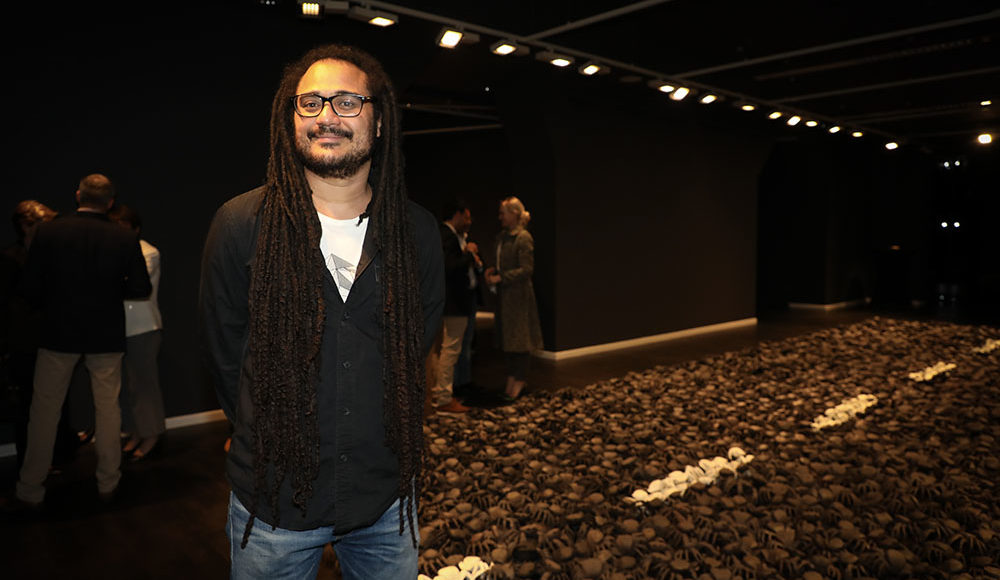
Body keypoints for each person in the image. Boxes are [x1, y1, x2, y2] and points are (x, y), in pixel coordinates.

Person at [199, 44, 444, 579]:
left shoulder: (417, 231)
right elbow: (225, 354)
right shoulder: (240, 224)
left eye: (347, 102)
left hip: (385, 499)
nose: (326, 116)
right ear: (290, 118)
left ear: (379, 121)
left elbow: (414, 348)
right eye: (310, 102)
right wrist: (268, 430)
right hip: (275, 503)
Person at [15, 174, 152, 506]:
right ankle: (108, 482)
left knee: (44, 411)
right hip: (105, 332)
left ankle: (30, 489)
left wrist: (54, 299)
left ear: (78, 195)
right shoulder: (123, 236)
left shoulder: (50, 232)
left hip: (58, 332)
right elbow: (140, 288)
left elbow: (29, 287)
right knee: (107, 409)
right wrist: (109, 290)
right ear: (110, 202)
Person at [108, 205, 164, 462]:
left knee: (143, 385)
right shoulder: (112, 251)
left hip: (143, 328)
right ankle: (135, 431)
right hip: (119, 328)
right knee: (127, 387)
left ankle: (151, 433)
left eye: (123, 228)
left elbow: (130, 286)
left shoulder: (148, 252)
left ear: (135, 229)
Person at [484, 196, 543, 402]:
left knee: (520, 341)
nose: (500, 217)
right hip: (505, 297)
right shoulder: (502, 237)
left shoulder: (523, 238)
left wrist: (502, 277)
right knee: (508, 341)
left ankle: (519, 380)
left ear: (514, 214)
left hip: (518, 298)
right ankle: (512, 377)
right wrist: (493, 271)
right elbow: (503, 263)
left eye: (503, 213)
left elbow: (526, 269)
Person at [433, 199, 481, 414]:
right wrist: (468, 253)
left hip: (448, 302)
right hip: (454, 302)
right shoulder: (448, 236)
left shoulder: (441, 234)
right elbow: (450, 267)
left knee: (445, 349)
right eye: (466, 217)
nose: (469, 221)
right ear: (458, 214)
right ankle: (443, 398)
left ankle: (439, 393)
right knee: (450, 350)